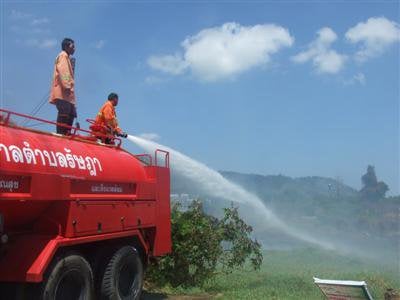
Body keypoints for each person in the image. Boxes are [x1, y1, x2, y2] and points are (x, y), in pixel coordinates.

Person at [49, 38, 76, 135]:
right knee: (65, 111)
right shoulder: (63, 56)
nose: (74, 48)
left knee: (72, 113)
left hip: (67, 94)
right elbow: (63, 71)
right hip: (63, 91)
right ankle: (61, 133)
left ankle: (66, 133)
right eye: (72, 46)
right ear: (66, 46)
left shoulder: (67, 57)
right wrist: (67, 86)